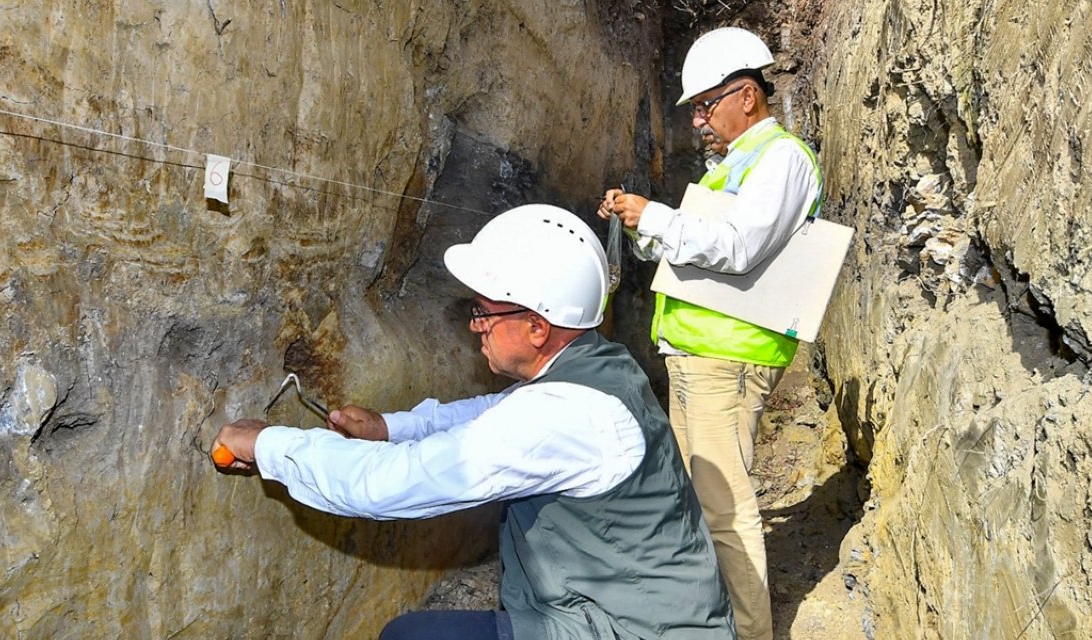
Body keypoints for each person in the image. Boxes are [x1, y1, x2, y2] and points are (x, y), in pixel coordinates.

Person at [212, 204, 736, 640]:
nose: (475, 326)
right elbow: (494, 413)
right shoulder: (597, 363)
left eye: (486, 312)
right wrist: (391, 428)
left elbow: (387, 485)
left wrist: (268, 443)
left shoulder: (566, 416)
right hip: (632, 616)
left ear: (536, 327)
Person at [597, 27, 824, 640]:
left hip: (730, 358)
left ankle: (751, 633)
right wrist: (642, 226)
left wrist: (658, 216)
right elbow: (695, 254)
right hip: (701, 356)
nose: (698, 120)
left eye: (705, 104)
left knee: (725, 511)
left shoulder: (781, 160)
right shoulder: (736, 168)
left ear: (746, 96)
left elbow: (738, 249)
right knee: (699, 501)